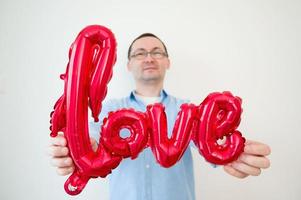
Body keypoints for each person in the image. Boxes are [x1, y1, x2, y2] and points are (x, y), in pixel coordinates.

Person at [48, 33, 271, 200]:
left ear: (167, 62)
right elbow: (91, 137)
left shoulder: (189, 110)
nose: (149, 58)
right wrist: (75, 149)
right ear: (128, 65)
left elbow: (211, 145)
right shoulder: (107, 110)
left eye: (157, 52)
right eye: (139, 53)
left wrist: (231, 154)